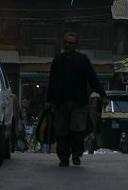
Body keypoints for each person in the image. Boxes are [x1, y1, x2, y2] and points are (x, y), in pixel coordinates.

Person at [44, 31, 108, 167]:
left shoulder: (82, 60)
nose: (67, 45)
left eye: (70, 43)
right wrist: (49, 100)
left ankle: (76, 155)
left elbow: (93, 78)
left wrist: (102, 94)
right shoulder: (58, 60)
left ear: (75, 45)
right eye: (66, 42)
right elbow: (52, 81)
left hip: (79, 102)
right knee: (61, 132)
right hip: (60, 102)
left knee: (77, 130)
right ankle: (63, 157)